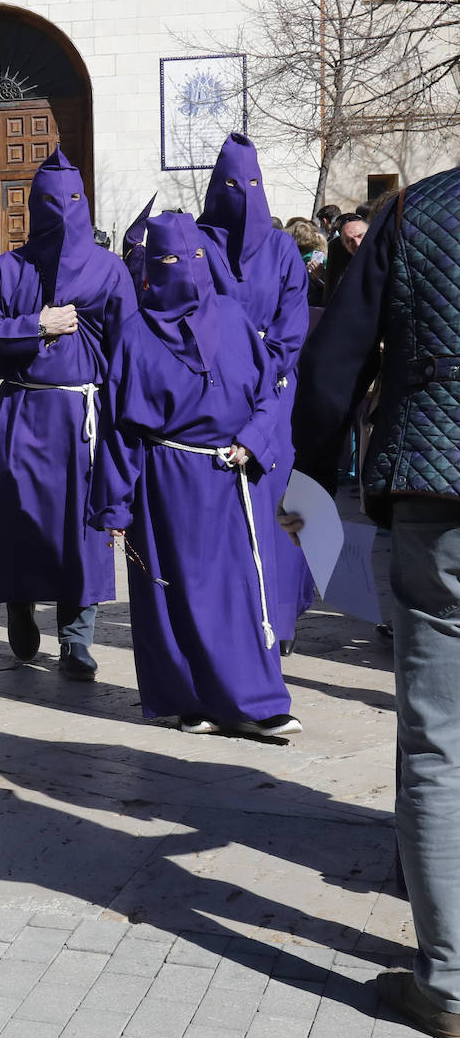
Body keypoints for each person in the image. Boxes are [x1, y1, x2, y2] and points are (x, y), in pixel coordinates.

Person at [289, 166, 460, 1038]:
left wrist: (311, 479)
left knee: (436, 739)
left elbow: (335, 361)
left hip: (437, 491)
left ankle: (449, 982)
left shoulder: (416, 210)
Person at [90, 211, 298, 736]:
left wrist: (251, 442)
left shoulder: (232, 320)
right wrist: (116, 504)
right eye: (172, 262)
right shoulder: (136, 336)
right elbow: (123, 430)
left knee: (239, 592)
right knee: (173, 592)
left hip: (234, 480)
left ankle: (255, 700)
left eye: (193, 260)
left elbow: (269, 395)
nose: (184, 271)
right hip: (167, 482)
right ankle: (190, 700)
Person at [0, 150, 130, 679]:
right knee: (18, 515)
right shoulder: (7, 269)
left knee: (82, 523)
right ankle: (19, 603)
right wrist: (33, 324)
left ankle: (77, 637)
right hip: (23, 409)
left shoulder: (110, 270)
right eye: (49, 204)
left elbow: (130, 347)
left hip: (84, 416)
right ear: (34, 208)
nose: (61, 215)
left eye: (71, 203)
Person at [197, 133, 311, 653]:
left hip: (275, 397)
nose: (241, 195)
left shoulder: (284, 249)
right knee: (220, 510)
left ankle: (280, 617)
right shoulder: (196, 244)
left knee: (275, 505)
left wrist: (258, 364)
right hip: (216, 396)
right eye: (230, 185)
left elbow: (291, 329)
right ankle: (229, 615)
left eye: (252, 184)